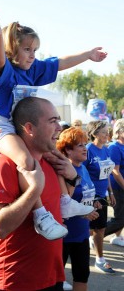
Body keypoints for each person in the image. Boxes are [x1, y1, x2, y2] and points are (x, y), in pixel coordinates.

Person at [0, 13, 105, 240]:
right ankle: (41, 215)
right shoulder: (6, 69)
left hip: (22, 125)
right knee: (26, 161)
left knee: (55, 156)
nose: (32, 55)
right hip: (2, 127)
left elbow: (60, 63)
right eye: (27, 49)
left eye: (35, 50)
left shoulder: (33, 69)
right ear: (13, 49)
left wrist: (88, 55)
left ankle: (65, 201)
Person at [0, 97, 82, 291]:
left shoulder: (51, 163)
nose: (59, 128)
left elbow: (59, 207)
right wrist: (33, 191)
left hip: (52, 276)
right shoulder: (4, 166)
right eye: (52, 121)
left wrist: (73, 179)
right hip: (16, 280)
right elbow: (0, 227)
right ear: (29, 128)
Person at [56, 127, 99, 291]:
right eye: (80, 145)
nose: (85, 149)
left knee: (82, 277)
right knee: (55, 282)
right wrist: (84, 210)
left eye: (85, 144)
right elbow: (64, 204)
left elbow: (85, 194)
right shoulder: (63, 170)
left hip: (81, 235)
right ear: (67, 149)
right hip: (63, 237)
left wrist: (94, 202)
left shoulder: (83, 167)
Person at [83, 120, 116, 274]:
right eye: (103, 132)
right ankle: (100, 260)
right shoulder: (88, 149)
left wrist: (111, 192)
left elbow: (107, 173)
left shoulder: (106, 150)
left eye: (107, 131)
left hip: (103, 194)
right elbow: (82, 173)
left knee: (96, 228)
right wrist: (93, 197)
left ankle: (93, 247)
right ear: (94, 134)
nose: (107, 134)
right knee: (99, 228)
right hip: (91, 196)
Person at [104, 119, 124, 246]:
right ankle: (94, 234)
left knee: (121, 216)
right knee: (120, 218)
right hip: (118, 186)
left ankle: (117, 237)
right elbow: (115, 171)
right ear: (120, 131)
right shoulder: (114, 147)